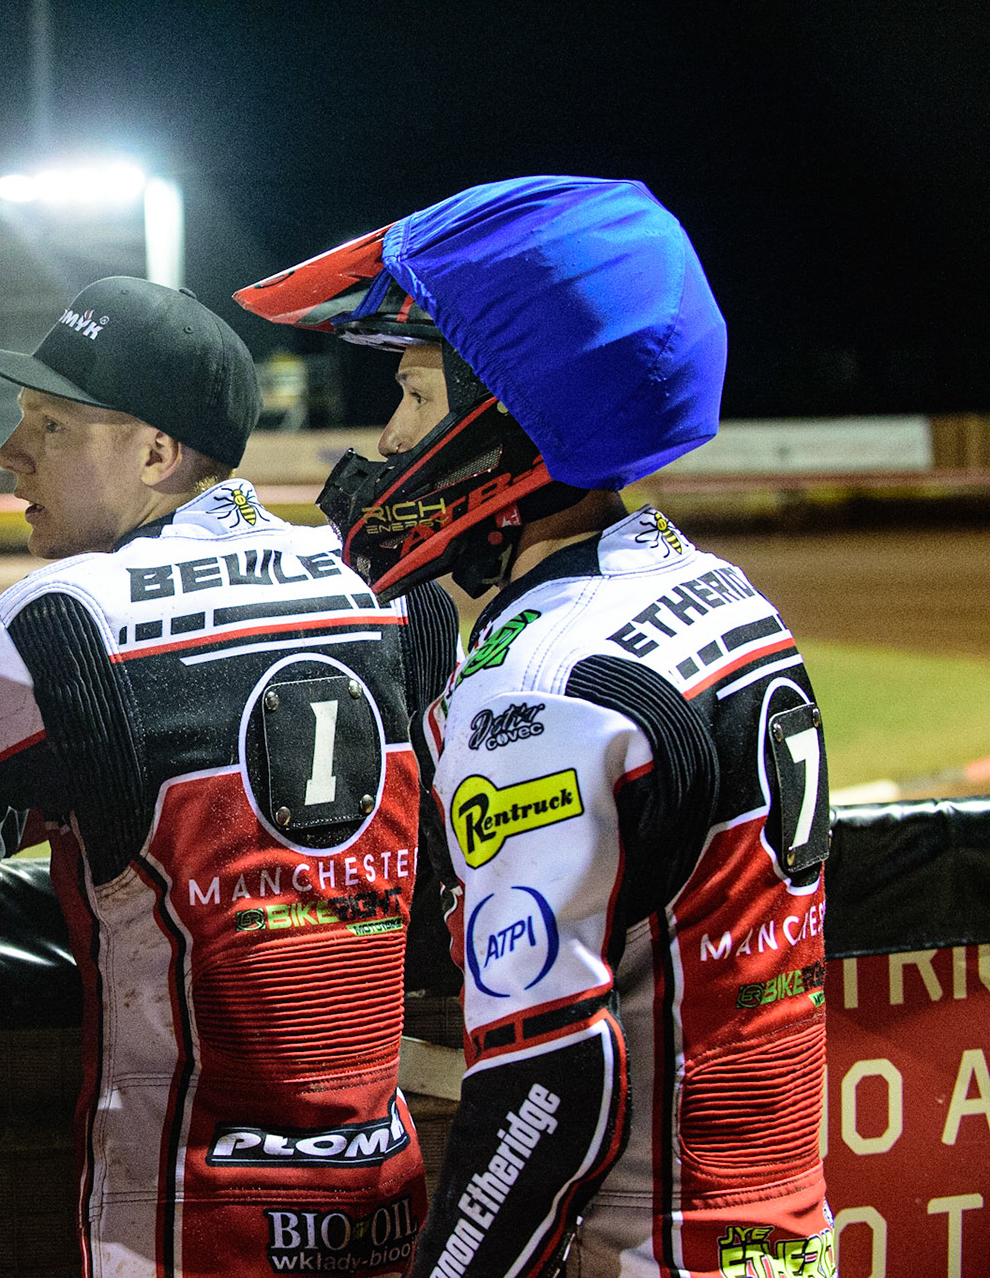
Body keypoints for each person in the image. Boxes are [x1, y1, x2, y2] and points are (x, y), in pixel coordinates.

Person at [236, 176, 836, 1278]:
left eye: (413, 398)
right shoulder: (719, 595)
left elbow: (554, 1082)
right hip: (773, 1229)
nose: (382, 441)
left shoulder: (543, 685)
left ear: (506, 420)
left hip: (634, 1246)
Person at [0, 276, 457, 1278]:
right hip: (386, 1205)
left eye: (52, 424)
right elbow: (435, 891)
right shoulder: (394, 596)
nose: (10, 453)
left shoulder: (61, 620)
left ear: (158, 454)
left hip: (182, 1218)